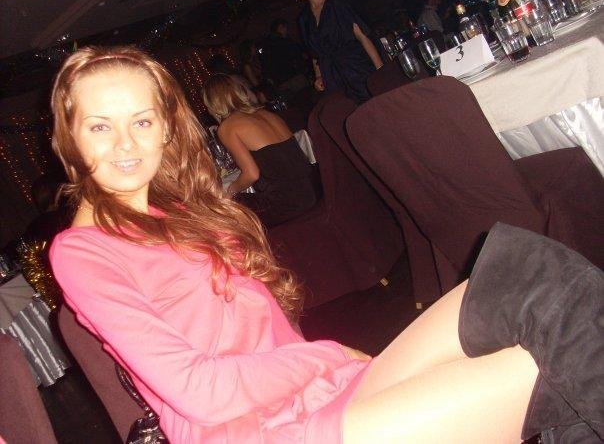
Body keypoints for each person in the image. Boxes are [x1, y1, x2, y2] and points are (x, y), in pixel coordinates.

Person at [49, 46, 603, 444]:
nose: (125, 144)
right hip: (254, 431)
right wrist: (328, 356)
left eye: (141, 121)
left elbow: (265, 336)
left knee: (531, 269)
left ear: (166, 129)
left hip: (312, 393)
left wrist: (325, 366)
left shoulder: (174, 214)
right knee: (545, 368)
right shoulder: (81, 253)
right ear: (69, 135)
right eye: (100, 126)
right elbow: (201, 392)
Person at [202, 73, 317, 228]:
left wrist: (230, 190)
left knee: (226, 210)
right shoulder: (267, 114)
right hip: (311, 189)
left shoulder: (227, 126)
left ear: (212, 104)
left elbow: (252, 174)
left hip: (287, 203)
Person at [297, 0, 384, 102]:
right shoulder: (304, 18)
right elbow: (314, 54)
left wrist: (381, 71)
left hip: (357, 69)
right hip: (332, 78)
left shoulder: (337, 3)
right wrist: (318, 76)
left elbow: (362, 36)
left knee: (377, 104)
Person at [260, 19, 310, 100]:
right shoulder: (285, 42)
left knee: (295, 104)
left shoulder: (267, 45)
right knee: (307, 98)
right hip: (293, 78)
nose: (287, 30)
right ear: (280, 28)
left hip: (280, 83)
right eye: (285, 27)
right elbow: (298, 55)